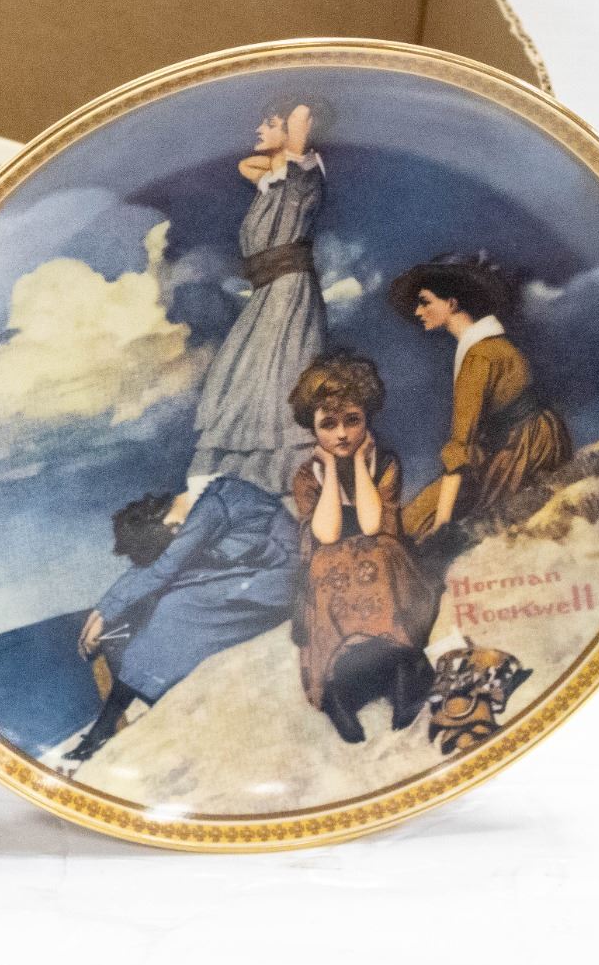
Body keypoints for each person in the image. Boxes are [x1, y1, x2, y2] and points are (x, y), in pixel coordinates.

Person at [66, 475, 299, 763]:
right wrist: (101, 612)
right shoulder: (189, 506)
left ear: (173, 528)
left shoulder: (211, 506)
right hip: (249, 564)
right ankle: (105, 727)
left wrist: (104, 617)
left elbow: (164, 566)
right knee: (164, 604)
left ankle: (124, 721)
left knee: (174, 607)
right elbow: (154, 565)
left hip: (280, 576)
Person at [183, 95, 334, 512]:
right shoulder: (274, 180)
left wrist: (290, 126)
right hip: (268, 292)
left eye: (268, 123)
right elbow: (245, 167)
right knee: (246, 377)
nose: (257, 130)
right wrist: (276, 154)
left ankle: (289, 482)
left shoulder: (302, 177)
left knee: (279, 374)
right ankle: (240, 482)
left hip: (288, 290)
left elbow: (301, 113)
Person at [287, 352, 439, 743]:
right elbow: (327, 533)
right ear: (313, 429)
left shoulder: (383, 463)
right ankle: (339, 690)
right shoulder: (307, 476)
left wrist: (357, 463)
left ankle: (400, 668)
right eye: (328, 425)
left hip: (384, 557)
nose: (341, 434)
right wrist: (330, 473)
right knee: (326, 564)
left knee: (379, 554)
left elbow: (374, 525)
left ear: (366, 420)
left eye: (352, 421)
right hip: (331, 566)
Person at [388, 251, 572, 545]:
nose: (418, 311)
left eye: (425, 302)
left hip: (522, 451)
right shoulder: (491, 344)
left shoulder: (479, 356)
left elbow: (461, 448)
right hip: (541, 438)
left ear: (452, 303)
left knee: (413, 525)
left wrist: (441, 525)